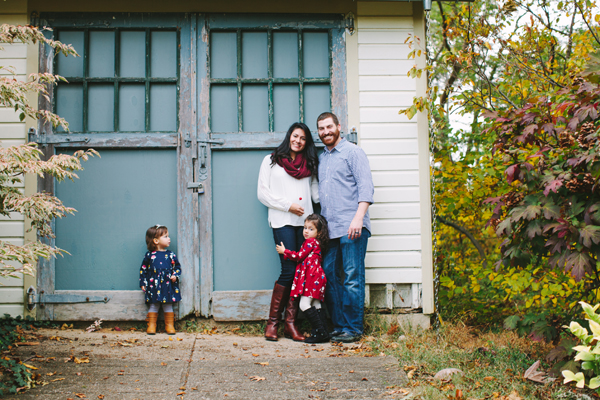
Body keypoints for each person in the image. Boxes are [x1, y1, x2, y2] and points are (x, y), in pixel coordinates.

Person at [257, 122, 319, 342]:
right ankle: (273, 323)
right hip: (282, 220)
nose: (298, 141)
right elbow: (262, 193)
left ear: (306, 142)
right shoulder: (271, 161)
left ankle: (290, 324)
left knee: (301, 272)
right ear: (289, 136)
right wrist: (288, 205)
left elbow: (316, 193)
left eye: (303, 138)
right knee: (289, 269)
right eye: (295, 136)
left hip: (305, 225)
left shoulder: (309, 163)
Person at [317, 112, 374, 343]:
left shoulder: (353, 152)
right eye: (321, 129)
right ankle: (340, 326)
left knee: (352, 276)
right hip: (329, 229)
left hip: (353, 226)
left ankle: (353, 328)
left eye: (329, 127)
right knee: (328, 275)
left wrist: (359, 218)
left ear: (338, 126)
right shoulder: (322, 158)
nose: (326, 132)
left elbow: (366, 187)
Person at [276, 214, 329, 343]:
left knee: (304, 304)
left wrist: (285, 251)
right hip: (317, 277)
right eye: (305, 227)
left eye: (311, 229)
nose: (306, 231)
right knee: (316, 304)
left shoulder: (310, 242)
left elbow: (299, 256)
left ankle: (320, 332)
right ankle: (324, 332)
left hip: (312, 278)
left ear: (319, 232)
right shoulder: (317, 243)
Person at [140, 225, 181, 335]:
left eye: (168, 236)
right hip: (154, 286)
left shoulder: (171, 254)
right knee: (154, 304)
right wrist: (143, 282)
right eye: (165, 236)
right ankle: (151, 325)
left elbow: (177, 267)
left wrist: (175, 275)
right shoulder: (149, 255)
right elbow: (143, 269)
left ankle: (170, 325)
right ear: (156, 241)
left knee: (168, 305)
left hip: (167, 285)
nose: (169, 239)